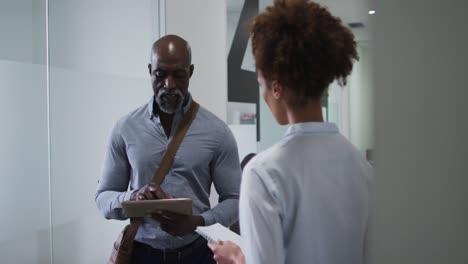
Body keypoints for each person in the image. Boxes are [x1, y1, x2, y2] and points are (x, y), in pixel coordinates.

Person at [209, 1, 372, 263]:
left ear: (276, 87)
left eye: (260, 83)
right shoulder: (362, 168)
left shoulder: (263, 174)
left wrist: (238, 258)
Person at [95, 34, 242, 264]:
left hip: (198, 254)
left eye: (179, 75)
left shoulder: (217, 132)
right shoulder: (125, 128)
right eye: (160, 74)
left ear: (191, 72)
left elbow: (235, 199)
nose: (169, 85)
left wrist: (198, 221)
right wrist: (133, 198)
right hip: (141, 255)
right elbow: (103, 198)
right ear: (149, 71)